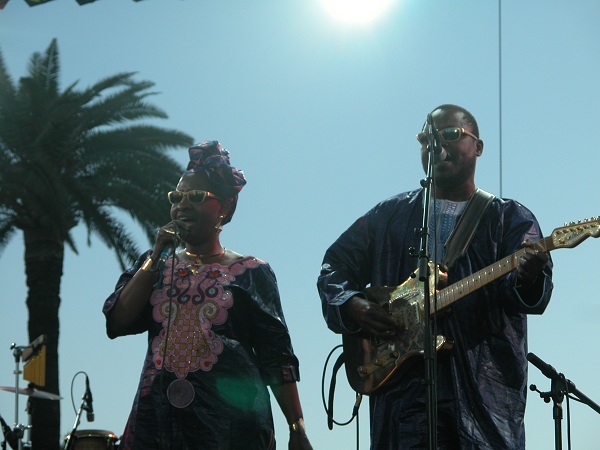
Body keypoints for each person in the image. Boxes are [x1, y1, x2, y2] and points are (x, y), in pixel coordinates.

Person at [316, 104, 553, 449]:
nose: (436, 143)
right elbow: (335, 265)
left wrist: (530, 277)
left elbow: (530, 294)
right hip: (402, 402)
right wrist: (353, 306)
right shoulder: (388, 215)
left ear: (478, 146)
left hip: (481, 403)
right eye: (427, 137)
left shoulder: (509, 219)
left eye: (451, 134)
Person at [103, 141, 313, 450]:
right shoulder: (154, 267)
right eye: (177, 197)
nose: (182, 205)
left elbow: (276, 357)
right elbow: (116, 322)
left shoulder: (252, 271)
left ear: (225, 207)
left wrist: (297, 428)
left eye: (197, 196)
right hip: (157, 425)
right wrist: (156, 254)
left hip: (231, 427)